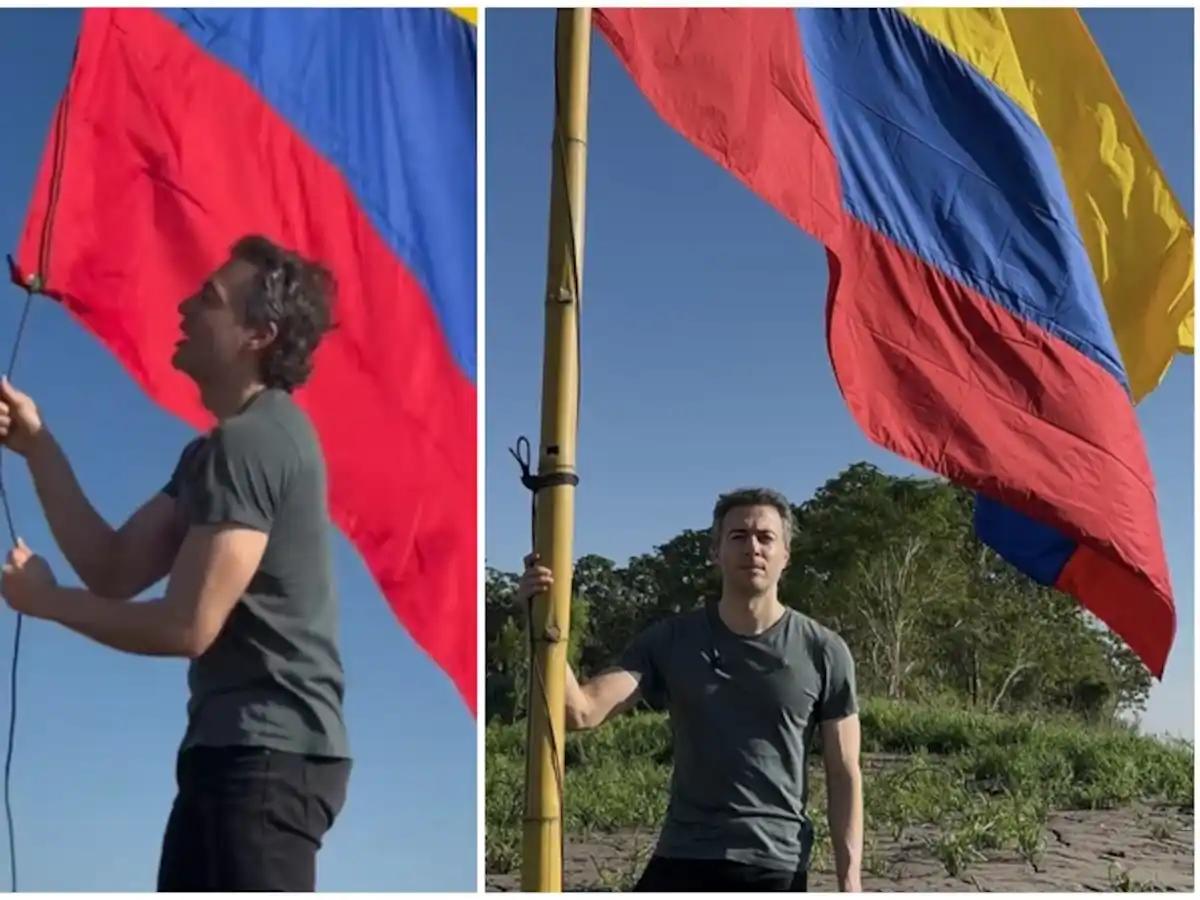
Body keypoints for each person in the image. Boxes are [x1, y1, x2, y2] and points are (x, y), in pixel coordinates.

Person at [0, 235, 350, 891]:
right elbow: (112, 567)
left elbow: (186, 626)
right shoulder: (211, 454)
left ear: (258, 334)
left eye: (210, 299)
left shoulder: (253, 443)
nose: (186, 306)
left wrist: (45, 602)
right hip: (235, 757)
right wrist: (38, 445)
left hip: (267, 760)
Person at [518, 487, 863, 892]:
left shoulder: (823, 650)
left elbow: (844, 773)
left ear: (786, 554)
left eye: (765, 537)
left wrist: (850, 880)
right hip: (683, 854)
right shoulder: (671, 640)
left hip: (773, 863)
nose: (752, 547)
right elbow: (581, 712)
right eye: (737, 536)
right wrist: (540, 618)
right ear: (715, 551)